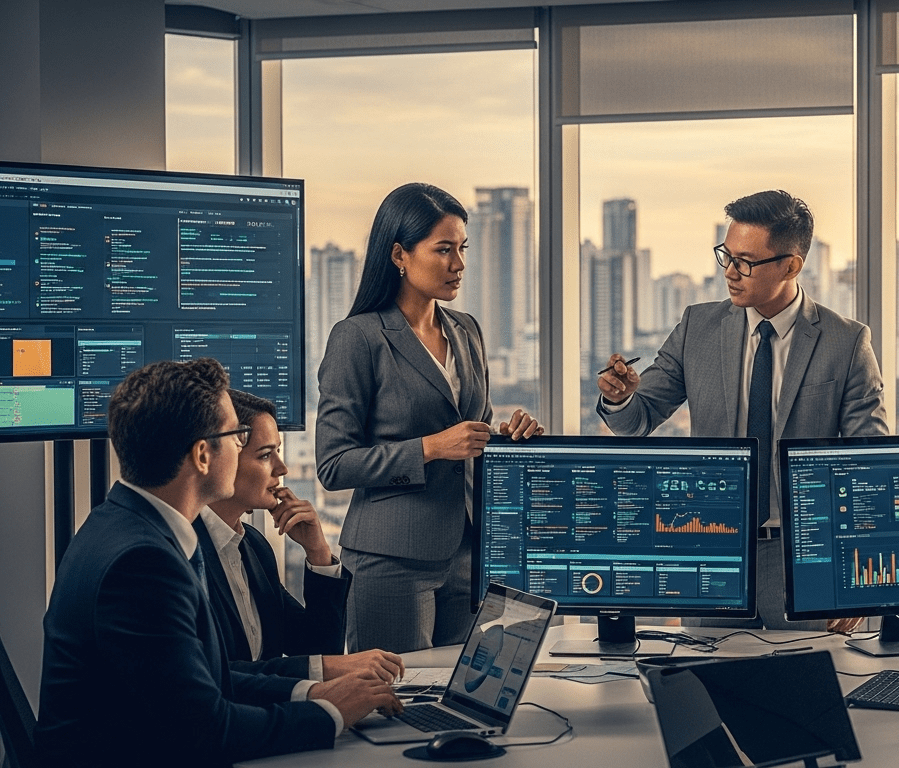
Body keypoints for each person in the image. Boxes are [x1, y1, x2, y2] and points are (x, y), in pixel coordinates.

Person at [37, 359, 401, 767]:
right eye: (238, 437)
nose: (245, 448)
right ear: (202, 455)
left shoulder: (126, 527)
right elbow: (206, 733)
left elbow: (210, 685)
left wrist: (315, 693)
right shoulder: (142, 564)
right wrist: (331, 712)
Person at [597, 190, 888, 630]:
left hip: (806, 557)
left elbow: (869, 463)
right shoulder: (697, 327)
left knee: (810, 691)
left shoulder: (845, 342)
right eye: (726, 257)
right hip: (712, 553)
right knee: (704, 690)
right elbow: (637, 420)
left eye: (746, 262)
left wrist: (863, 580)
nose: (730, 273)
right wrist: (620, 396)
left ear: (791, 265)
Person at [318, 183, 542, 655]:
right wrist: (431, 447)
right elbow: (334, 464)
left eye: (462, 248)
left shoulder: (466, 330)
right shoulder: (358, 338)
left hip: (468, 552)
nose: (458, 264)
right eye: (443, 250)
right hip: (392, 559)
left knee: (461, 695)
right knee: (396, 699)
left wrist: (510, 441)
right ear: (399, 254)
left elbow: (471, 436)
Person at [193, 389, 404, 684]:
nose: (282, 468)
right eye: (266, 455)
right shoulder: (183, 553)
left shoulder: (253, 546)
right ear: (217, 457)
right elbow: (213, 677)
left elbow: (317, 649)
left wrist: (317, 553)